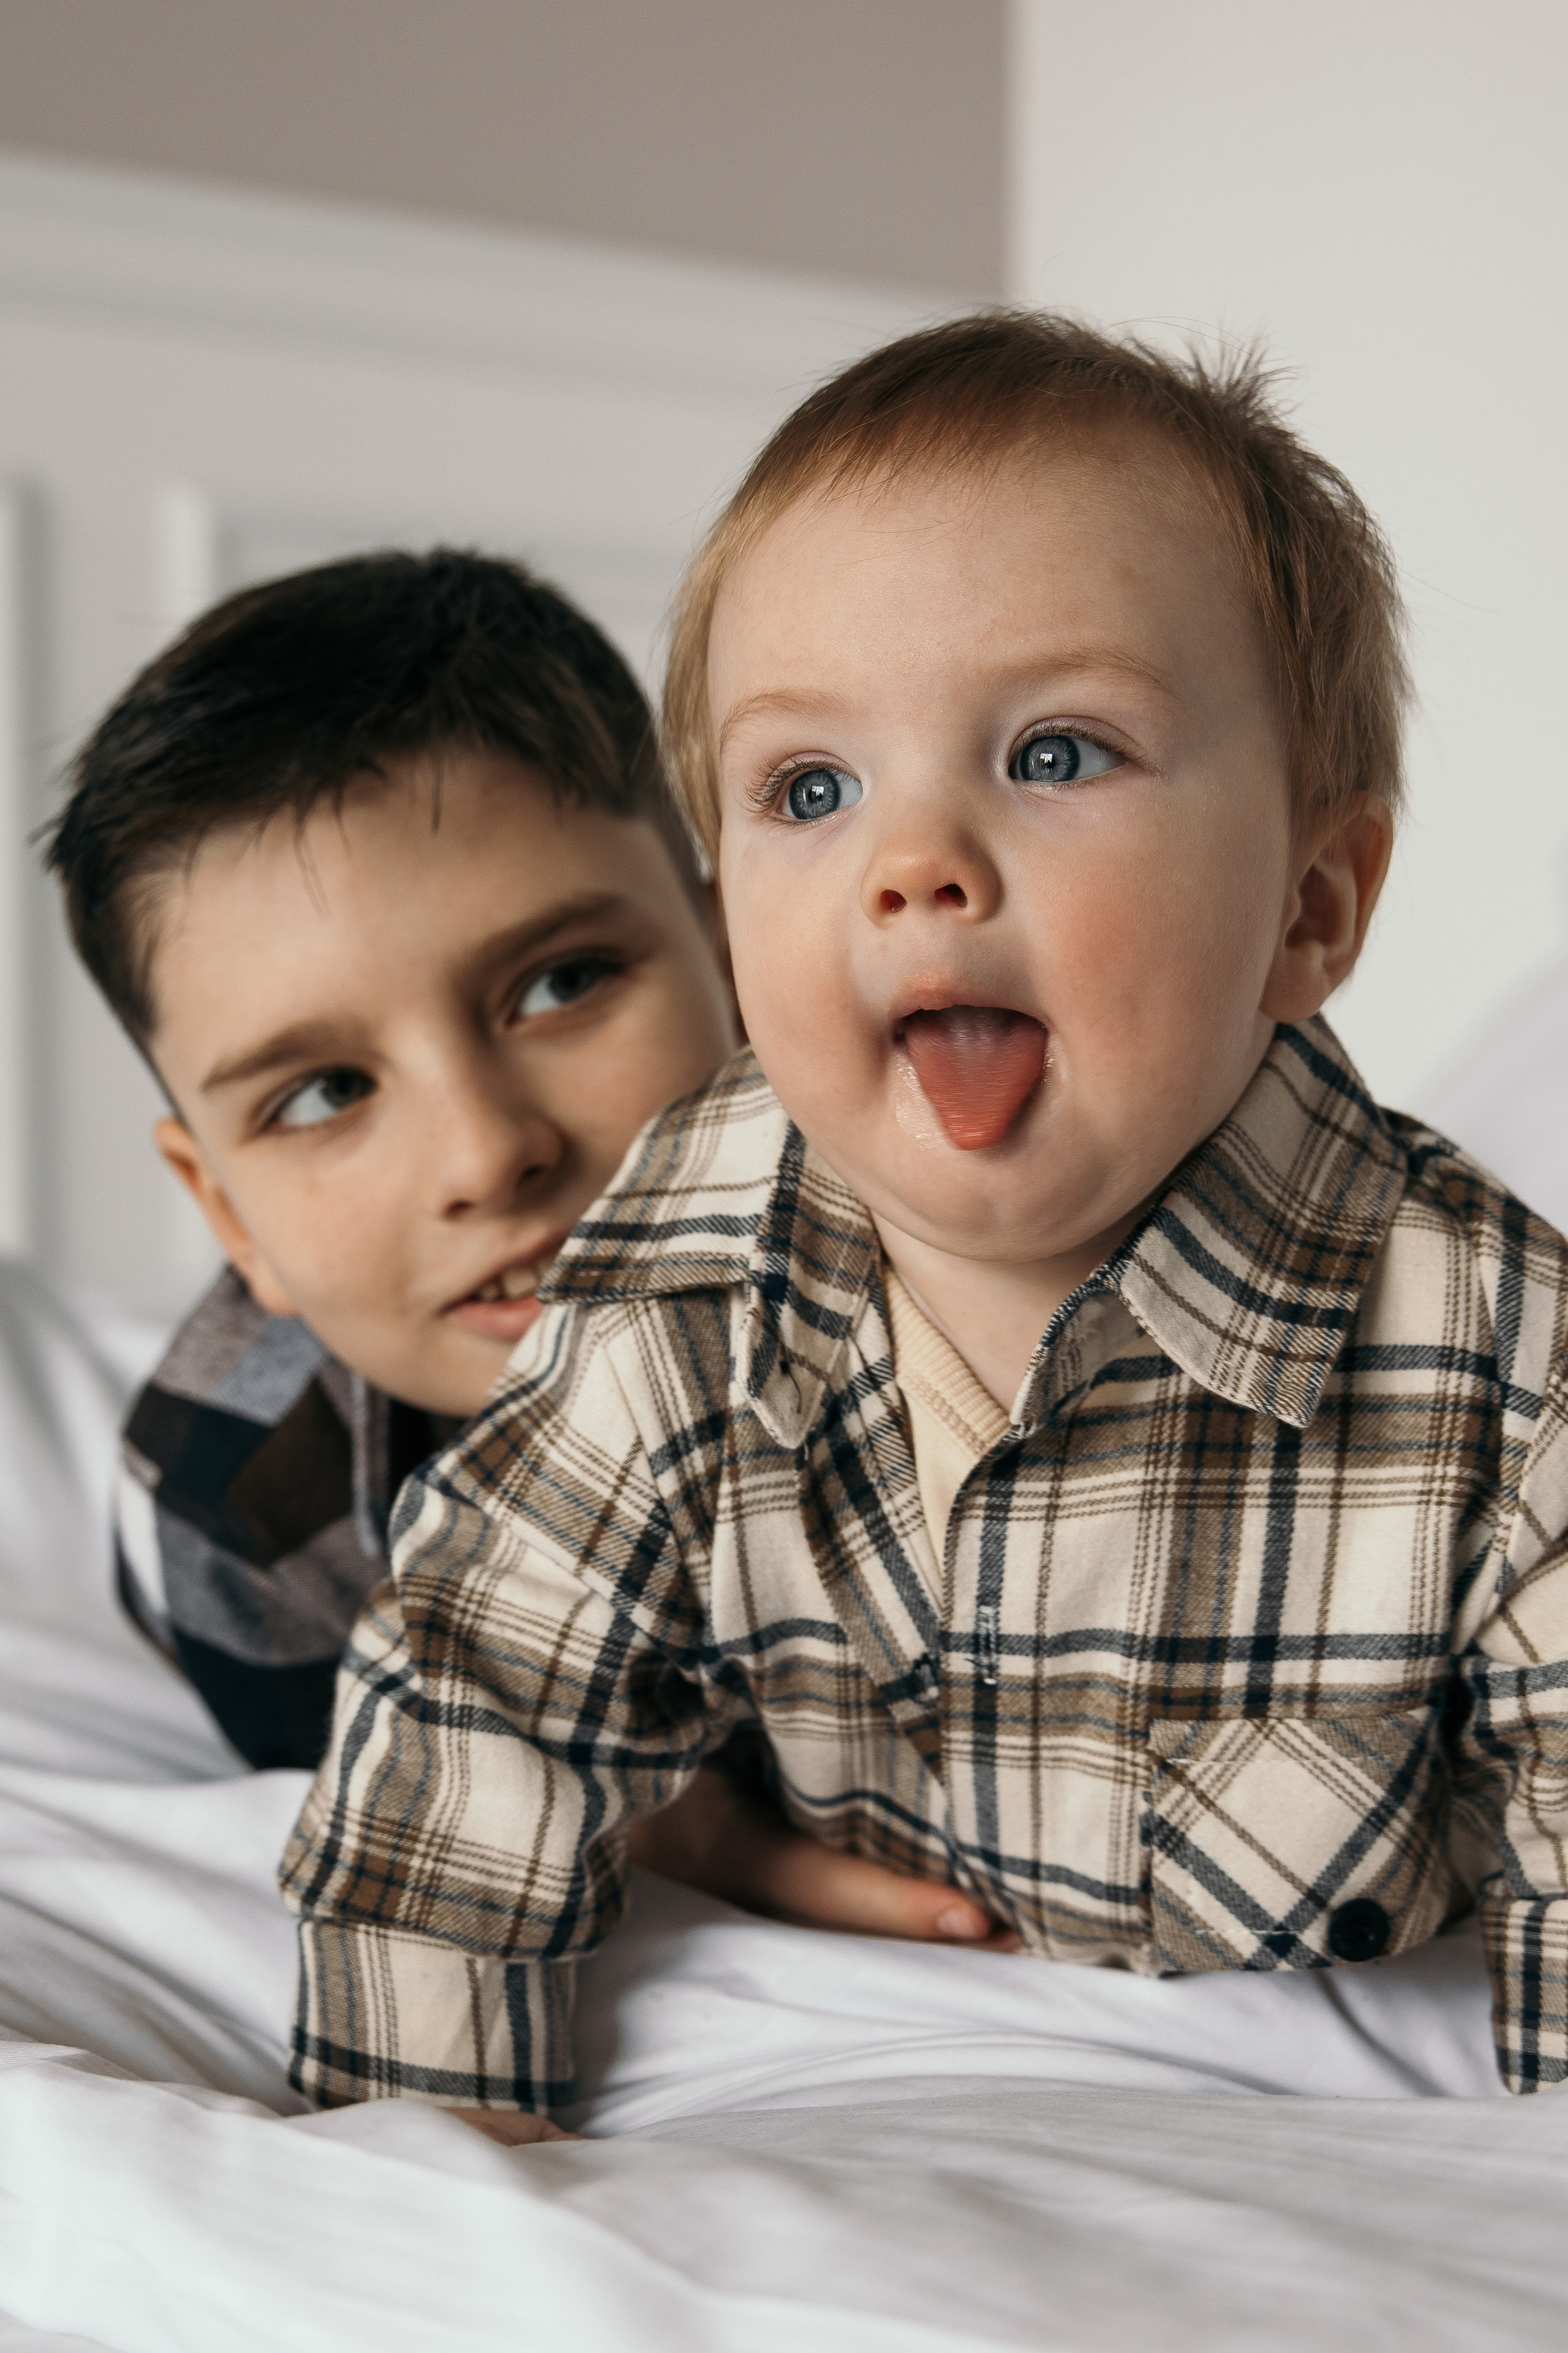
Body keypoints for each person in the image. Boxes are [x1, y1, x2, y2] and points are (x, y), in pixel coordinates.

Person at [281, 315, 1568, 2135]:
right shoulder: (695, 1248)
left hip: (1286, 2055)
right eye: (809, 789)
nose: (916, 859)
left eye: (1055, 753)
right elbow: (484, 1693)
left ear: (1310, 907)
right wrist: (414, 2174)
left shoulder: (1495, 1359)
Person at [45, 548, 1004, 1955]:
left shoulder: (984, 1239)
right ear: (229, 1215)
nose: (487, 1152)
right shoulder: (245, 1506)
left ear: (737, 953)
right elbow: (425, 1812)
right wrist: (669, 1818)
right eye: (323, 1093)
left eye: (560, 985)